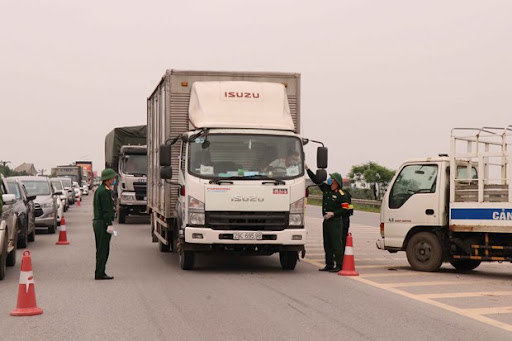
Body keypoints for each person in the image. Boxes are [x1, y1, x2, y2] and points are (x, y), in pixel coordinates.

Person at [307, 167, 352, 272]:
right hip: (326, 221)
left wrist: (334, 214)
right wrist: (307, 169)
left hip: (336, 221)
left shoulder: (342, 194)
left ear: (336, 181)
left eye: (332, 178)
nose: (330, 180)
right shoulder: (326, 189)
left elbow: (345, 209)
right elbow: (316, 180)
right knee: (327, 244)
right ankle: (329, 264)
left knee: (336, 244)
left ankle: (339, 265)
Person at [93, 168, 117, 280]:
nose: (114, 179)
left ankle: (100, 271)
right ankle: (100, 273)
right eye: (112, 177)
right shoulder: (105, 192)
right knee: (103, 249)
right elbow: (106, 209)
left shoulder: (100, 190)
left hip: (98, 222)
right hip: (102, 222)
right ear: (108, 179)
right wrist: (109, 223)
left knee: (101, 248)